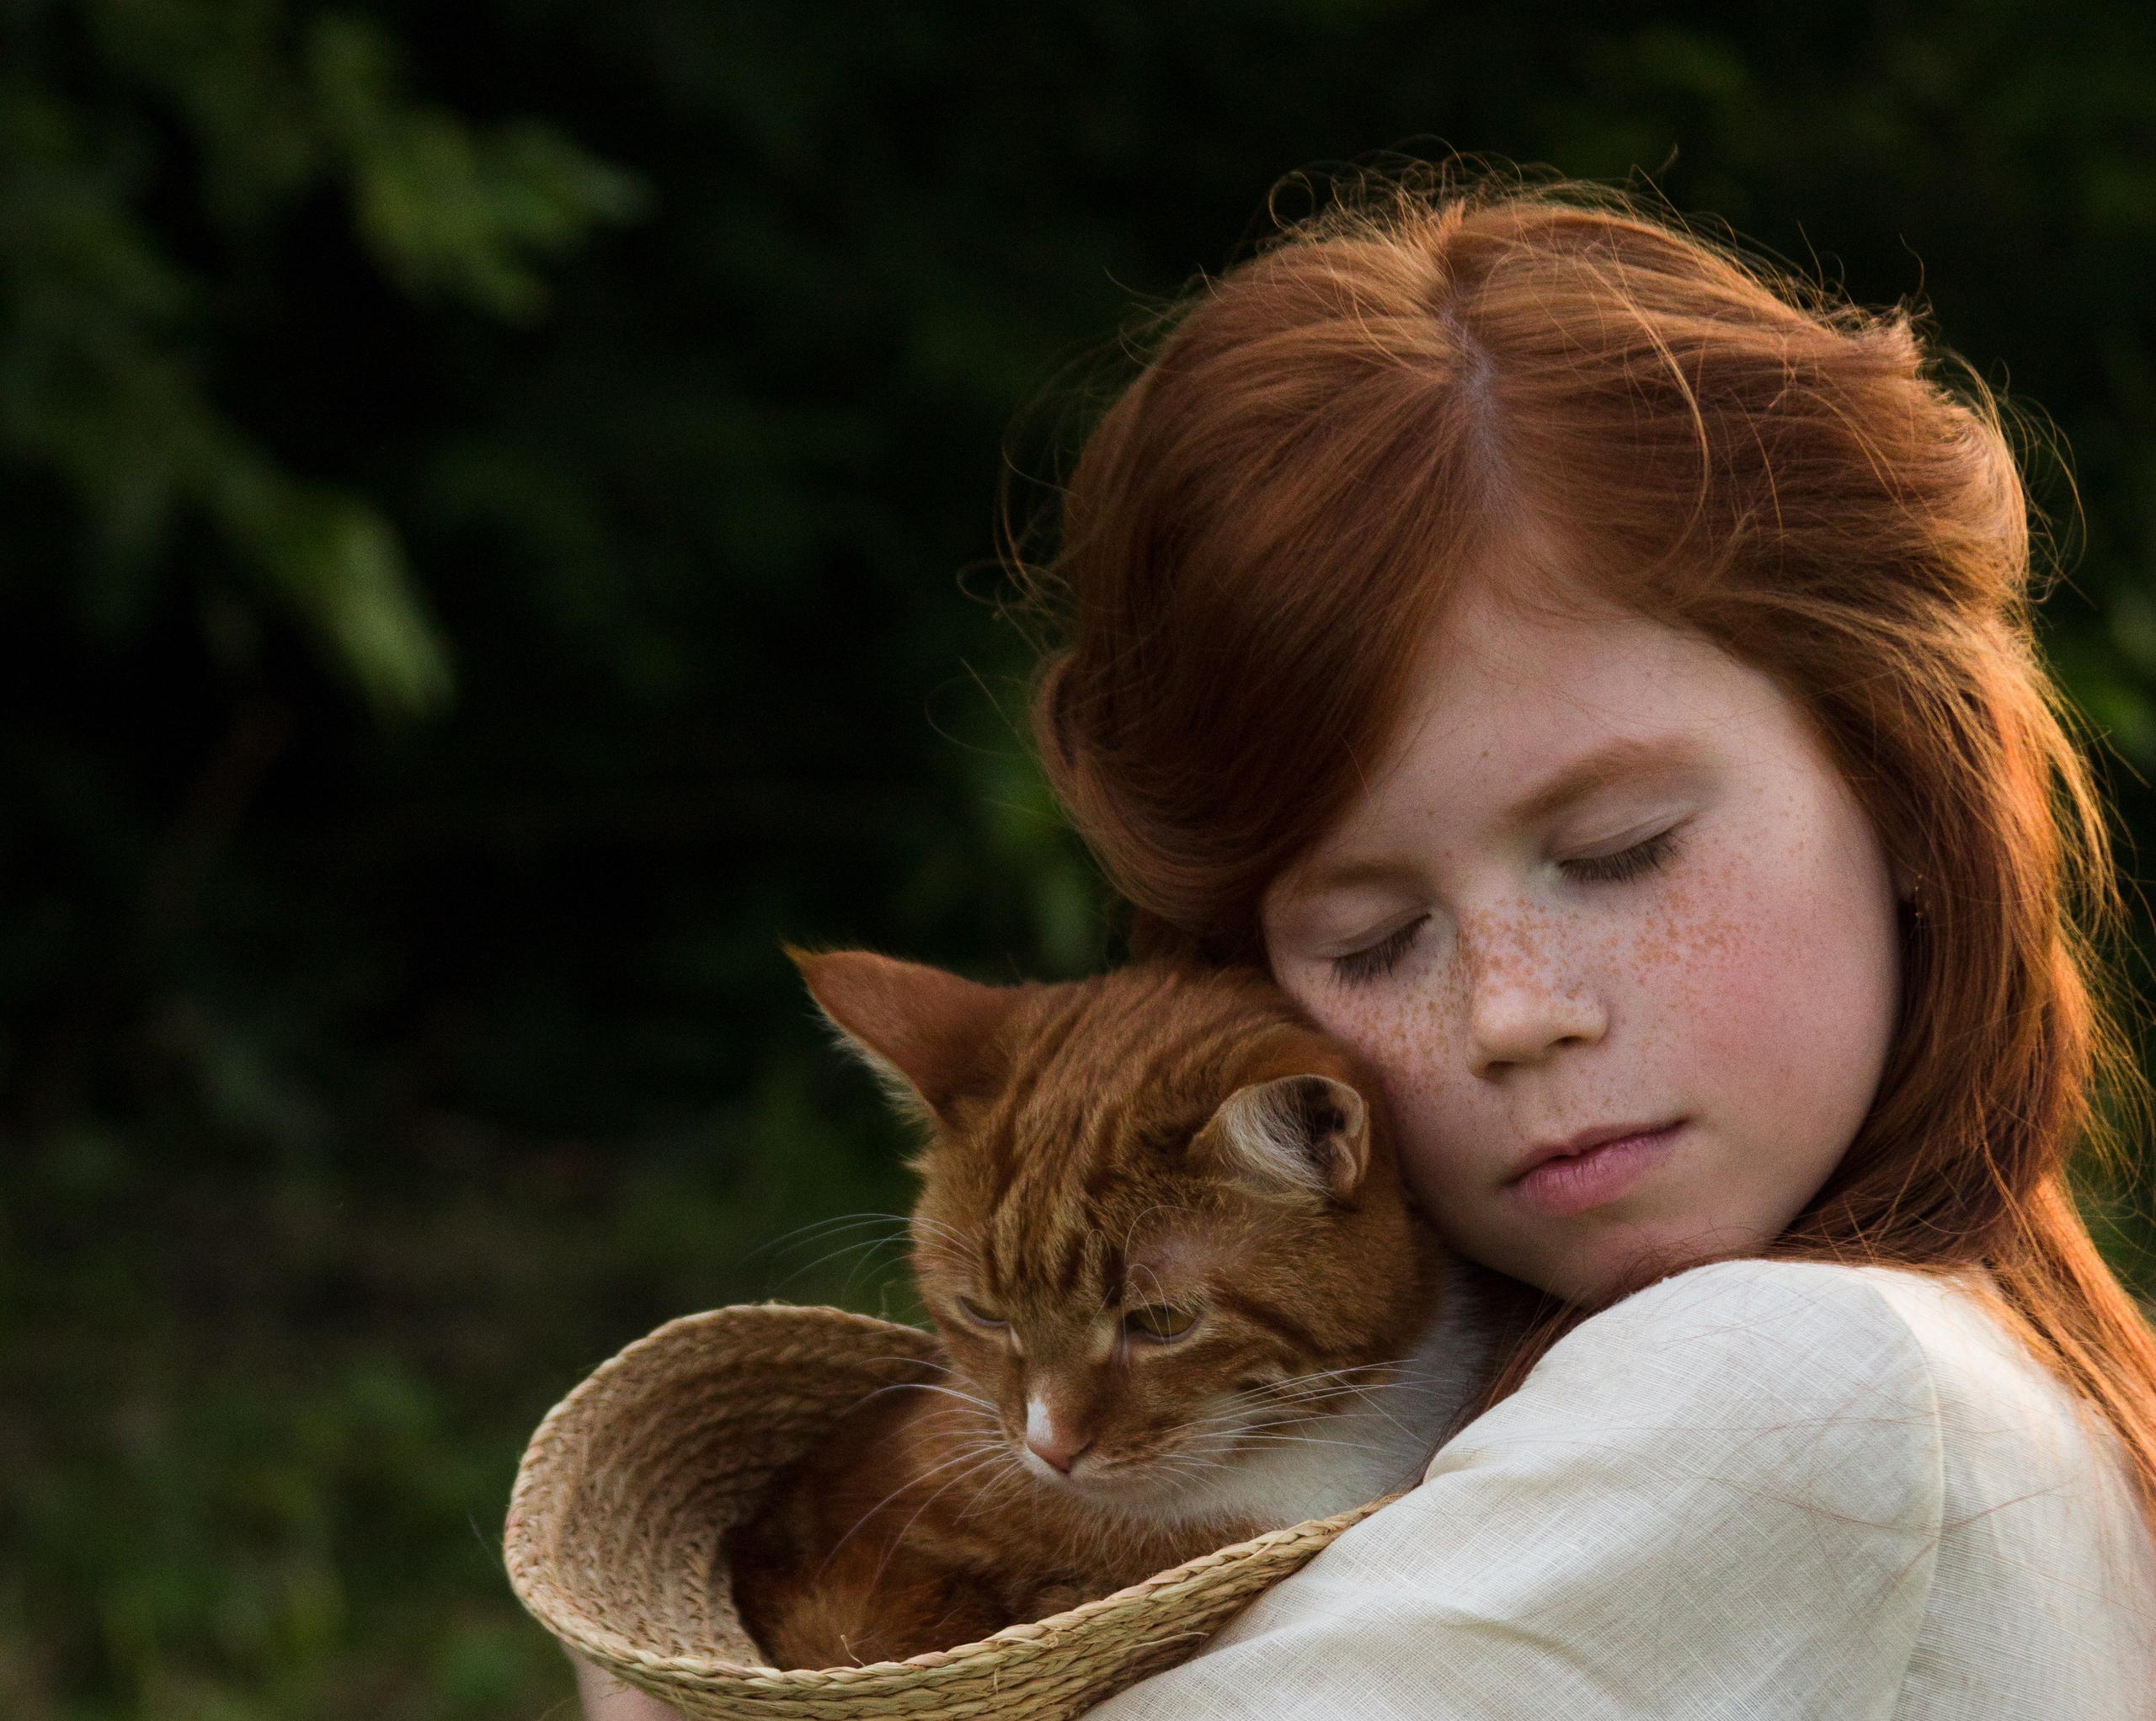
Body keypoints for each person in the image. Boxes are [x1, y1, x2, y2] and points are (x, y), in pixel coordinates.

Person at [576, 173, 2156, 1718]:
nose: (1515, 1013)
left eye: (1622, 853)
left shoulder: (1800, 1388)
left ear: (1909, 797)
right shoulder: (2039, 1377)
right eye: (1374, 937)